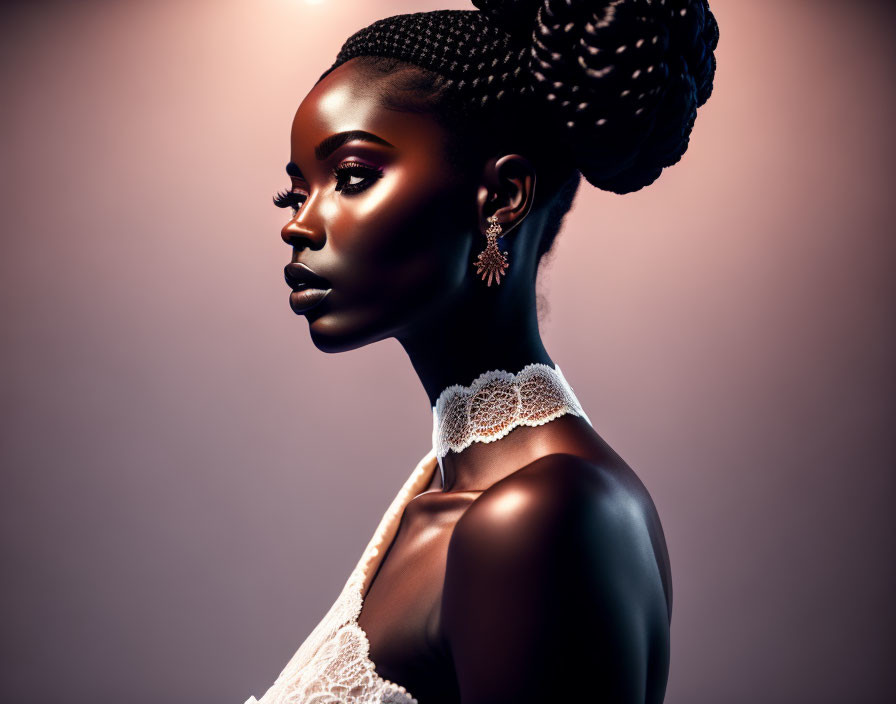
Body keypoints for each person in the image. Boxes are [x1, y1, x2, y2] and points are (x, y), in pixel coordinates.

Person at [246, 1, 718, 702]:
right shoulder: (444, 495)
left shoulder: (538, 518)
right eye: (296, 191)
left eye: (350, 176)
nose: (299, 225)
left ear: (501, 196)